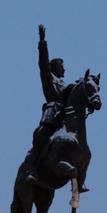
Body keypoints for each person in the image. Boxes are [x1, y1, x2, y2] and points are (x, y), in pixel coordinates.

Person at [25, 24, 69, 184]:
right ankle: (31, 168)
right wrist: (42, 41)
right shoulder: (48, 77)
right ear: (54, 68)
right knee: (41, 136)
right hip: (51, 116)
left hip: (64, 118)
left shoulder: (64, 84)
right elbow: (43, 63)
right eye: (62, 66)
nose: (64, 69)